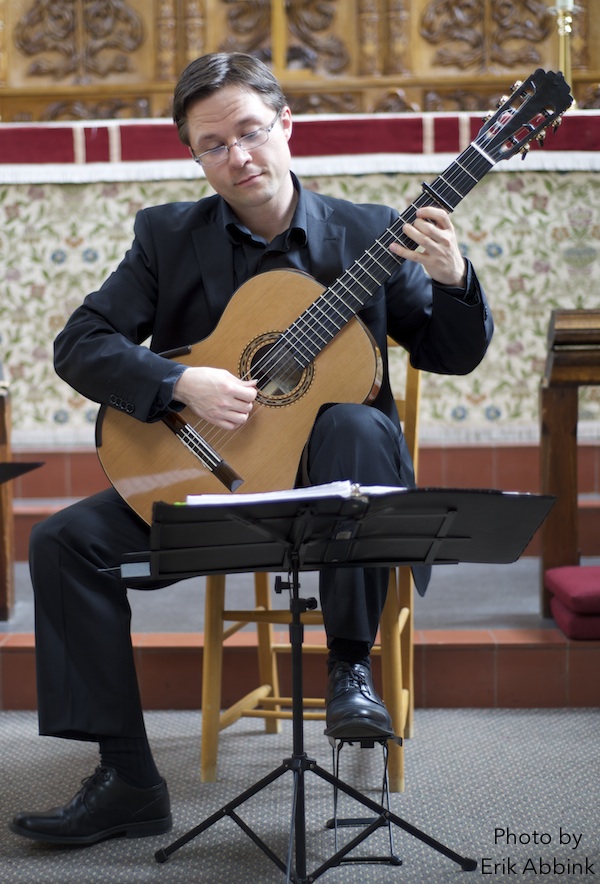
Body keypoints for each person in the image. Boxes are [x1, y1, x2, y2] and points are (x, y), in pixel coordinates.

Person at [10, 52, 493, 846]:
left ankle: (348, 668)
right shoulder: (166, 236)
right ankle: (128, 778)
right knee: (63, 541)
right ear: (194, 156)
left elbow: (450, 351)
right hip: (215, 486)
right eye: (213, 144)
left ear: (285, 126)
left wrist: (454, 276)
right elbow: (80, 344)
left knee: (354, 423)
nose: (238, 156)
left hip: (342, 502)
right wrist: (180, 387)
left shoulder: (370, 234)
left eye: (249, 131)